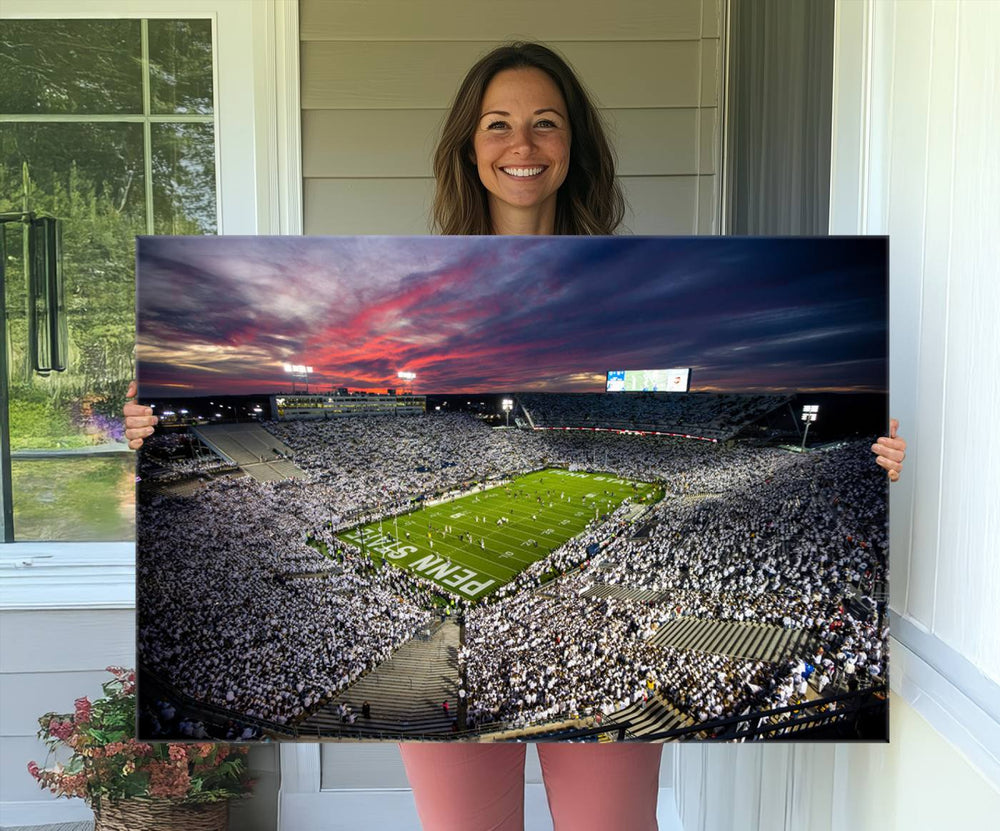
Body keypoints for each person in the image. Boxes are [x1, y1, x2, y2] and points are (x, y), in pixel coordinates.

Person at [122, 40, 907, 831]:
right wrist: (152, 428)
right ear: (469, 145)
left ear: (574, 146)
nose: (521, 145)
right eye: (497, 124)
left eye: (545, 123)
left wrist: (872, 457)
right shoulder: (418, 287)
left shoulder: (632, 280)